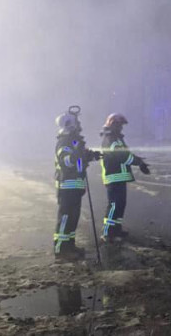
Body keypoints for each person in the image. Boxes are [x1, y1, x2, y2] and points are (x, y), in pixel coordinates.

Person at [54, 109, 101, 260]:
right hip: (67, 186)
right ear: (70, 124)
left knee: (73, 218)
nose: (79, 125)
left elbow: (79, 161)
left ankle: (69, 246)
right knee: (66, 219)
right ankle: (61, 249)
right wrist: (79, 154)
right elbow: (67, 162)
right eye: (77, 122)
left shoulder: (74, 142)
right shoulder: (64, 142)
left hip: (75, 185)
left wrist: (90, 156)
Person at [100, 113, 150, 242]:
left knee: (120, 204)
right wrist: (138, 162)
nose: (121, 128)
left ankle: (116, 229)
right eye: (119, 125)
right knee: (114, 205)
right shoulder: (111, 139)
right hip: (114, 177)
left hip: (119, 177)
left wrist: (138, 160)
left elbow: (125, 154)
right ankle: (108, 233)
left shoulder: (116, 138)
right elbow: (122, 156)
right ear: (113, 124)